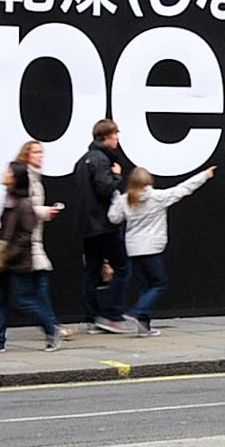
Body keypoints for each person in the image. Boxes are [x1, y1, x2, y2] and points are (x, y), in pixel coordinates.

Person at [107, 164, 215, 336]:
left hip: (133, 249)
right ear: (148, 181)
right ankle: (137, 312)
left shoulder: (125, 199)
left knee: (145, 285)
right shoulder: (158, 197)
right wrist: (204, 176)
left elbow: (114, 218)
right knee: (159, 283)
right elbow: (183, 189)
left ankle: (144, 327)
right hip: (152, 247)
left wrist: (115, 197)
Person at [0, 140, 62, 351]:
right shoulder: (11, 200)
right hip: (7, 256)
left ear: (15, 178)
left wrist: (9, 253)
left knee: (23, 298)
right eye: (36, 152)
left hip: (17, 258)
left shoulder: (23, 204)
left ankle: (50, 327)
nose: (4, 174)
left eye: (8, 172)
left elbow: (25, 234)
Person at [73, 119, 132, 334]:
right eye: (116, 135)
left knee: (92, 271)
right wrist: (117, 174)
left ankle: (92, 318)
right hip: (104, 225)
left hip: (87, 226)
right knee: (123, 268)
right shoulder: (101, 160)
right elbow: (105, 188)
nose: (117, 139)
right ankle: (110, 315)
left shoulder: (83, 161)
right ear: (106, 137)